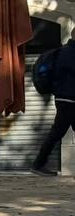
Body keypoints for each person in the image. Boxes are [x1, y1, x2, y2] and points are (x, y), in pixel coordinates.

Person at [33, 30, 75, 176]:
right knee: (56, 133)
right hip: (69, 99)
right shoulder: (70, 54)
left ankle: (38, 164)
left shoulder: (61, 53)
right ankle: (38, 164)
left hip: (64, 98)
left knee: (56, 133)